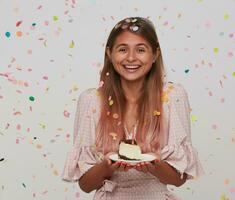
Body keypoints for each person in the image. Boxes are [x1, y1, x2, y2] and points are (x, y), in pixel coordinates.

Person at [61, 16, 204, 199]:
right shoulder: (91, 100)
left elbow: (179, 179)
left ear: (155, 54)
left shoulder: (172, 97)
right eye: (122, 49)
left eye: (141, 50)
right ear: (109, 54)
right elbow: (85, 185)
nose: (131, 58)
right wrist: (107, 165)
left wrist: (154, 165)